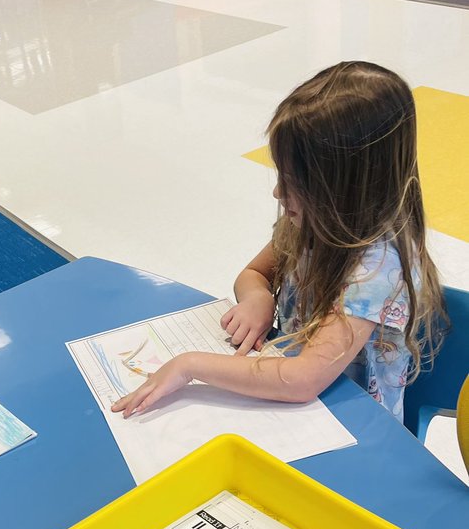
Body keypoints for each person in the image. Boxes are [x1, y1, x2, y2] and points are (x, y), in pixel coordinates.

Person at [113, 61, 446, 424]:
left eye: (294, 182)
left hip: (351, 425)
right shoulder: (315, 223)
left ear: (346, 193)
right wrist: (259, 297)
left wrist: (189, 365)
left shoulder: (378, 268)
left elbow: (302, 380)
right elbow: (255, 272)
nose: (278, 192)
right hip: (287, 400)